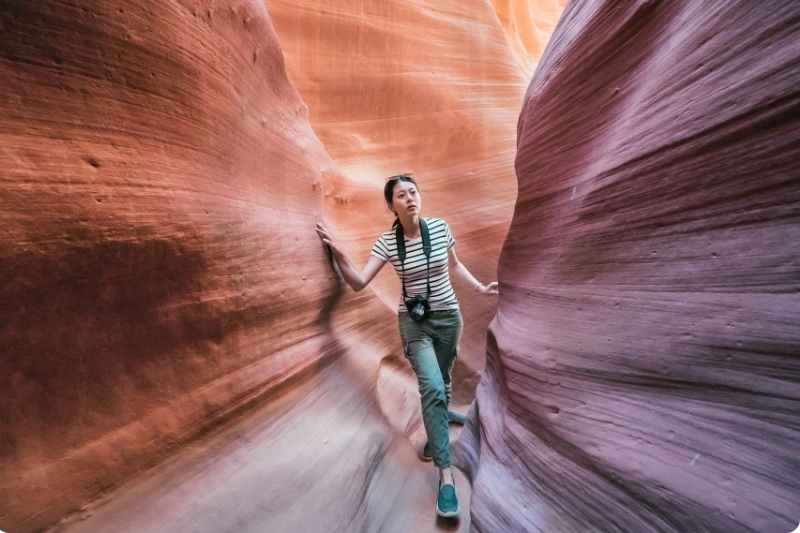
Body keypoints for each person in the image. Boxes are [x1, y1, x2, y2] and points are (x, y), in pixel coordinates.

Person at [315, 173, 498, 518]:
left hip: (448, 319)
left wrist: (479, 288)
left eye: (413, 192)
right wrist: (338, 254)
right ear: (391, 205)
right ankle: (445, 475)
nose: (410, 198)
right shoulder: (387, 243)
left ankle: (438, 424)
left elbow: (455, 266)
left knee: (441, 381)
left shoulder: (441, 229)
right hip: (414, 324)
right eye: (402, 195)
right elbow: (358, 283)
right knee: (431, 385)